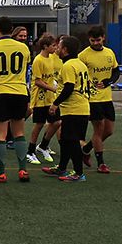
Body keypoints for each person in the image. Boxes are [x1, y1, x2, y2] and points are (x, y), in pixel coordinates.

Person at [0, 16, 32, 183]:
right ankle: (23, 170)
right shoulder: (24, 49)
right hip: (20, 92)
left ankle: (1, 173)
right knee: (19, 133)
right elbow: (25, 72)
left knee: (1, 135)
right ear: (12, 30)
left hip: (0, 93)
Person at [49, 35, 93, 182]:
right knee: (67, 139)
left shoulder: (68, 66)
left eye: (60, 47)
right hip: (80, 108)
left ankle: (79, 173)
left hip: (74, 109)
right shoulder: (80, 64)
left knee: (71, 140)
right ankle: (62, 167)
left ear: (65, 50)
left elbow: (69, 87)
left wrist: (55, 103)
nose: (57, 49)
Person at [81, 25, 121, 173]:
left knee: (109, 130)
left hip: (106, 98)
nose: (96, 43)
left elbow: (116, 71)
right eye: (93, 41)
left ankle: (86, 149)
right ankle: (101, 163)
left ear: (103, 37)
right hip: (92, 99)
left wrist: (108, 81)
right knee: (98, 129)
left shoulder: (110, 53)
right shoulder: (83, 56)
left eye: (98, 40)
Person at [25, 35, 62, 165]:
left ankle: (43, 146)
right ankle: (30, 151)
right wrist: (52, 88)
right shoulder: (38, 60)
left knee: (57, 122)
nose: (56, 47)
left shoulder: (52, 58)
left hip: (50, 98)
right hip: (40, 98)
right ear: (45, 46)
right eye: (53, 45)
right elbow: (38, 81)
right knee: (39, 124)